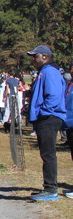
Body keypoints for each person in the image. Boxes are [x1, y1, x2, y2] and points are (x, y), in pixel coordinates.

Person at [26, 46, 66, 201]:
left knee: (48, 154)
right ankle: (49, 188)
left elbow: (53, 95)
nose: (33, 60)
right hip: (47, 117)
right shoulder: (45, 71)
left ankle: (51, 190)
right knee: (46, 153)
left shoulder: (49, 71)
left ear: (45, 56)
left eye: (35, 56)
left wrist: (43, 112)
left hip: (49, 117)